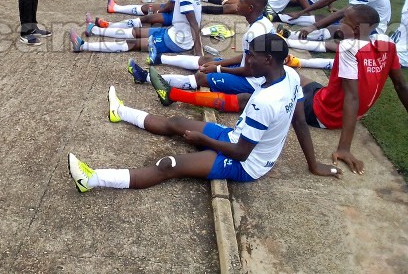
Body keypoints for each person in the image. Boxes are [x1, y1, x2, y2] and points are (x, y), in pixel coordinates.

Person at [68, 33, 340, 193]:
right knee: (176, 122)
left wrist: (204, 142)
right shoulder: (290, 75)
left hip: (246, 163)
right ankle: (120, 111)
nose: (247, 59)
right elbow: (300, 122)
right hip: (237, 137)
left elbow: (241, 153)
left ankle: (91, 179)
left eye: (252, 55)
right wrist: (313, 165)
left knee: (170, 165)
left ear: (268, 60)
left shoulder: (266, 102)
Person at [155, 5, 408, 176]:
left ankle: (175, 94)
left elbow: (351, 97)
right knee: (291, 75)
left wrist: (344, 147)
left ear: (356, 29)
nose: (341, 23)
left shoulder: (349, 47)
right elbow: (400, 84)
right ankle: (289, 65)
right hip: (328, 97)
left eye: (346, 22)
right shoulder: (386, 44)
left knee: (251, 98)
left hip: (323, 111)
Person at [138, 0, 275, 95]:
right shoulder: (264, 23)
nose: (236, 4)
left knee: (201, 77)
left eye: (240, 2)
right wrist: (217, 63)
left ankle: (146, 78)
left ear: (250, 8)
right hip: (251, 71)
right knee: (206, 60)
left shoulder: (255, 33)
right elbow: (246, 56)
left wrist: (218, 69)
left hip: (251, 82)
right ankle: (159, 58)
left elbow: (251, 71)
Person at [70, 0, 201, 56]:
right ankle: (95, 30)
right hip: (173, 33)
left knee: (131, 43)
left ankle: (83, 46)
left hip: (176, 41)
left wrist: (198, 53)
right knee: (135, 32)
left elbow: (194, 23)